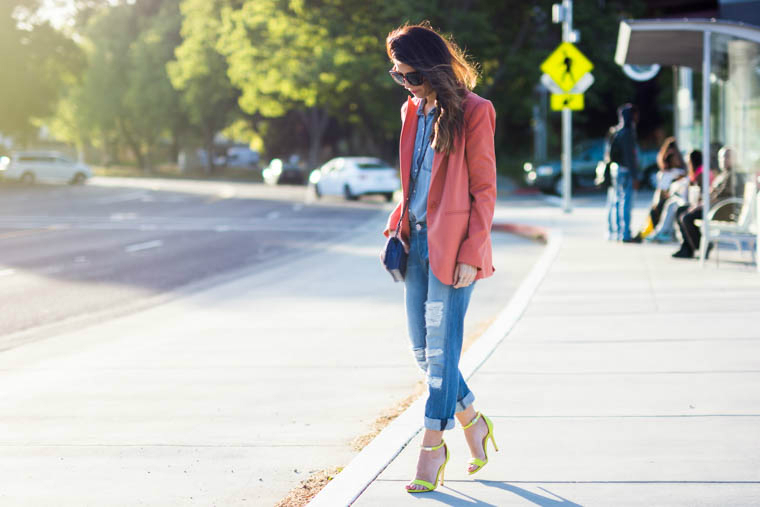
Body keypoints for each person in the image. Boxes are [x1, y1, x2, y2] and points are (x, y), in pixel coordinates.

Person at [381, 22, 498, 494]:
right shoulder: (413, 110)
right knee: (422, 349)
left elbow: (484, 189)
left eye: (409, 75)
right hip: (417, 242)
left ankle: (431, 449)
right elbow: (415, 180)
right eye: (398, 76)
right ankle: (473, 421)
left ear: (430, 69)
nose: (405, 84)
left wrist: (473, 251)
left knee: (440, 350)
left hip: (454, 250)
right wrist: (398, 219)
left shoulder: (475, 111)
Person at [672, 148, 734, 259]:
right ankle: (687, 247)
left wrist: (701, 204)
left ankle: (700, 246)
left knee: (686, 218)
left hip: (719, 210)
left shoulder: (731, 176)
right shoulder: (722, 174)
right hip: (711, 206)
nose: (723, 160)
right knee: (680, 210)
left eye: (726, 157)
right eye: (721, 157)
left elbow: (720, 196)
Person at [609, 104, 640, 242]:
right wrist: (635, 176)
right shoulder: (628, 133)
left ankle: (617, 231)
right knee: (626, 202)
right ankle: (625, 233)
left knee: (617, 201)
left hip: (618, 170)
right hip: (626, 171)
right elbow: (630, 157)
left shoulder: (618, 131)